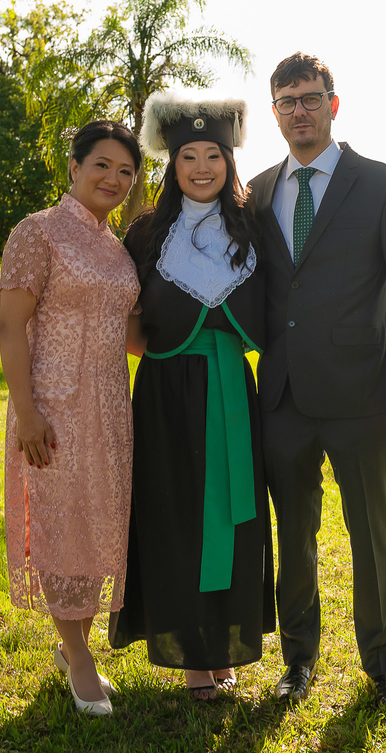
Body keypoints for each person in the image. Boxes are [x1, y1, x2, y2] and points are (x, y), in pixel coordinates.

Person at [247, 53, 386, 708]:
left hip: (361, 395)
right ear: (274, 113)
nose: (299, 109)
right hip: (283, 397)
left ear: (334, 103)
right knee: (291, 535)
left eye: (309, 97)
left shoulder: (383, 185)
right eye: (286, 100)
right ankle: (297, 661)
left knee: (371, 534)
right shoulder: (258, 190)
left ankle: (382, 666)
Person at [109, 94, 275, 701]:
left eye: (213, 155)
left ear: (229, 163)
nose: (201, 167)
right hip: (165, 397)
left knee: (234, 521)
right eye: (188, 156)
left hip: (233, 389)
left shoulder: (253, 228)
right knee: (175, 518)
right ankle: (192, 659)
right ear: (172, 165)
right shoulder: (146, 234)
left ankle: (221, 644)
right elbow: (126, 324)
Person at [0, 120, 143, 717]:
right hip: (53, 406)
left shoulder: (117, 246)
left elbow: (133, 336)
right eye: (102, 165)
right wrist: (27, 413)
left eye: (126, 171)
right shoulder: (38, 233)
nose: (113, 178)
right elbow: (10, 326)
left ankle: (74, 645)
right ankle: (77, 655)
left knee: (95, 521)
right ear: (75, 168)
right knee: (60, 525)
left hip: (111, 406)